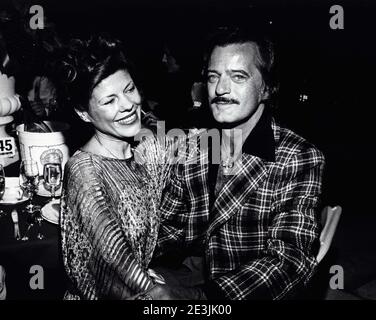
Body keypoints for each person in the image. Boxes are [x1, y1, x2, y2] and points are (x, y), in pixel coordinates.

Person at [150, 26, 326, 300]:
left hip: (242, 289)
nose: (220, 88)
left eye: (238, 76)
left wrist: (198, 299)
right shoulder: (192, 146)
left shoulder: (298, 156)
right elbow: (170, 228)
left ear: (267, 87)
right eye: (213, 76)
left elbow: (289, 262)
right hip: (194, 271)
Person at [57, 34, 173, 300]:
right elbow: (114, 253)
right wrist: (154, 291)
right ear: (83, 113)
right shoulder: (84, 171)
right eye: (109, 101)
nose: (128, 105)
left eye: (129, 89)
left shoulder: (146, 148)